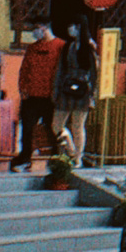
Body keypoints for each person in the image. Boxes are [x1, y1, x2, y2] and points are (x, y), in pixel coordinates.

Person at [11, 22, 62, 170]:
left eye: (36, 28)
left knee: (53, 128)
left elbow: (63, 71)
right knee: (27, 127)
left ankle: (57, 157)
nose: (34, 31)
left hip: (50, 97)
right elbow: (24, 69)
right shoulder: (32, 48)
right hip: (31, 96)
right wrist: (22, 88)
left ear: (44, 28)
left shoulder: (60, 46)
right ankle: (25, 156)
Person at [51, 20, 97, 163]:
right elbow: (60, 69)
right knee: (56, 125)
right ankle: (71, 150)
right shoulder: (67, 47)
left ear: (79, 28)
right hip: (67, 86)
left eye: (73, 26)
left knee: (78, 126)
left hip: (83, 88)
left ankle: (78, 158)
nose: (70, 29)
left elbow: (94, 72)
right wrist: (56, 89)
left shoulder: (89, 47)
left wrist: (92, 93)